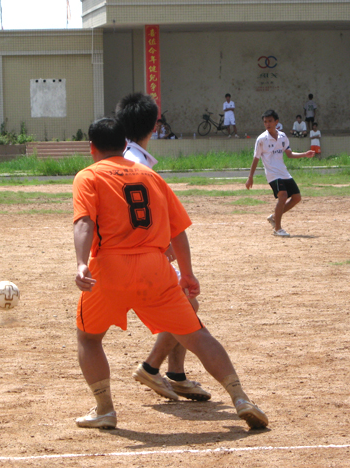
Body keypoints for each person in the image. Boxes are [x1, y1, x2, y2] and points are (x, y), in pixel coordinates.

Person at [72, 117, 268, 430]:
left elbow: (85, 222)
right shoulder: (151, 176)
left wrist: (82, 263)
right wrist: (187, 273)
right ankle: (240, 397)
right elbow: (178, 230)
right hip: (155, 268)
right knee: (198, 335)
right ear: (125, 144)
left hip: (109, 268)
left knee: (89, 338)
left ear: (92, 147)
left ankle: (105, 409)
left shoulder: (88, 176)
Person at [116, 92, 210, 402]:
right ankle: (151, 367)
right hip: (138, 257)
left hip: (133, 253)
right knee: (187, 307)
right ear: (155, 126)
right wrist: (159, 243)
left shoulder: (128, 156)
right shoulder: (137, 163)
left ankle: (176, 374)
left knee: (187, 305)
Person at [245, 110, 315, 237]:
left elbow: (289, 154)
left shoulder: (282, 136)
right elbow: (256, 159)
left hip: (284, 172)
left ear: (276, 122)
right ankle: (277, 229)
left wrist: (305, 154)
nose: (267, 124)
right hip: (273, 174)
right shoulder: (261, 139)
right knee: (283, 196)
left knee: (297, 198)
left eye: (270, 121)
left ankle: (274, 217)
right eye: (265, 122)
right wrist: (250, 177)